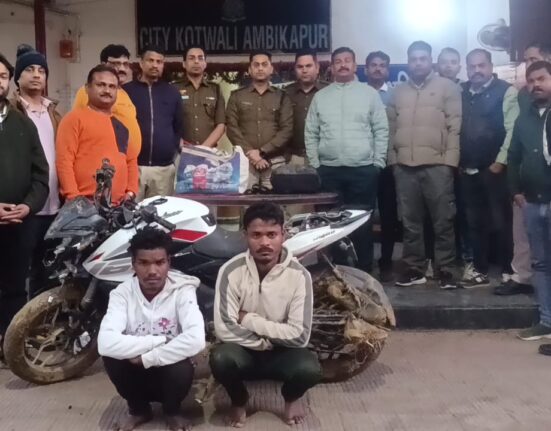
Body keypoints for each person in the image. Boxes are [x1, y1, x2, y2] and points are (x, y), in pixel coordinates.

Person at [210, 202, 321, 427]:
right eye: (256, 235)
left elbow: (300, 336)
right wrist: (265, 342)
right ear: (245, 236)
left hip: (283, 353)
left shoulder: (300, 276)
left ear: (284, 235)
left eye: (272, 234)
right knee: (221, 359)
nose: (264, 243)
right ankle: (239, 400)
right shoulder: (230, 271)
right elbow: (224, 328)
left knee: (310, 369)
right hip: (243, 350)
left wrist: (248, 319)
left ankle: (290, 398)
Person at [98, 227, 205, 431]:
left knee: (181, 365)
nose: (152, 271)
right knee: (112, 358)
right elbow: (105, 343)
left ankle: (172, 411)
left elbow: (196, 339)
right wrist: (159, 340)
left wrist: (148, 358)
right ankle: (138, 410)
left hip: (168, 370)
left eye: (159, 262)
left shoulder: (183, 291)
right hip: (135, 372)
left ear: (168, 263)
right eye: (144, 263)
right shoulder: (122, 293)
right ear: (133, 264)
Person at [305, 47, 388, 273]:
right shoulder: (321, 97)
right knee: (330, 224)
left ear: (354, 65)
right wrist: (316, 164)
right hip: (328, 170)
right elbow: (311, 132)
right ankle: (337, 272)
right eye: (338, 61)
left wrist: (377, 163)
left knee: (362, 223)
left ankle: (364, 271)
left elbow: (381, 129)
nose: (343, 65)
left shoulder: (369, 94)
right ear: (332, 67)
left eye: (347, 60)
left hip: (363, 170)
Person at [387, 41, 462, 289]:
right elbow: (390, 128)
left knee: (443, 221)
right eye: (413, 59)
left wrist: (450, 162)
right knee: (410, 223)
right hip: (404, 167)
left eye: (422, 58)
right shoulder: (398, 91)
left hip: (438, 166)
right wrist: (393, 160)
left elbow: (455, 126)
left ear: (431, 61)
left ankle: (446, 270)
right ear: (408, 62)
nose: (418, 63)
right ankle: (414, 269)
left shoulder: (447, 87)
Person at [0, 52, 49, 358]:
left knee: (15, 287)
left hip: (19, 222)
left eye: (2, 76)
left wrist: (29, 206)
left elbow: (41, 175)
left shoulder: (23, 124)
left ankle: (11, 347)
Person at [458, 49, 518, 288]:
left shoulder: (506, 91)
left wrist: (500, 161)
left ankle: (508, 268)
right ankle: (480, 269)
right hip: (467, 169)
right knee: (473, 222)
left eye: (481, 65)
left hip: (494, 168)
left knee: (500, 221)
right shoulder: (461, 91)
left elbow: (512, 130)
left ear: (491, 66)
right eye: (472, 66)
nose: (477, 71)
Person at [496, 41, 551, 296]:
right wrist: (515, 188)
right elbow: (516, 142)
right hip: (527, 187)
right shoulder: (523, 97)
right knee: (522, 234)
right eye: (526, 61)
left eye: (533, 60)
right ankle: (523, 276)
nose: (528, 66)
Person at [9, 44, 62, 297]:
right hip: (24, 207)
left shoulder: (54, 113)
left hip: (54, 206)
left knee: (48, 271)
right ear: (17, 77)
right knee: (17, 273)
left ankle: (42, 318)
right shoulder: (10, 112)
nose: (36, 75)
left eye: (41, 70)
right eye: (29, 69)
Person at [508, 61, 551, 342]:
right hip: (533, 202)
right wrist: (515, 191)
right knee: (540, 264)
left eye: (542, 79)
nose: (536, 85)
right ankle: (547, 321)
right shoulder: (523, 119)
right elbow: (513, 158)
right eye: (531, 80)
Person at [56, 65, 139, 203]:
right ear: (87, 88)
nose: (107, 90)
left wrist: (131, 192)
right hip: (82, 206)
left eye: (112, 87)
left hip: (119, 207)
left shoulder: (120, 126)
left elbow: (131, 161)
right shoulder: (73, 119)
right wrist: (73, 197)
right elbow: (64, 161)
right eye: (101, 85)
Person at [226, 51, 293, 189]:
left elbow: (287, 129)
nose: (260, 68)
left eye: (264, 64)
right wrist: (251, 153)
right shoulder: (237, 96)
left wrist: (262, 151)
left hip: (275, 162)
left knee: (277, 201)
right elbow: (231, 128)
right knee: (245, 201)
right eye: (256, 65)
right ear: (250, 70)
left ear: (271, 69)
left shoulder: (282, 97)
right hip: (246, 162)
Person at [124, 45, 183, 199]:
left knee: (161, 212)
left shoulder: (172, 93)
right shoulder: (126, 92)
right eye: (150, 60)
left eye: (159, 61)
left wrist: (171, 150)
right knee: (131, 211)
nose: (155, 65)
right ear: (141, 63)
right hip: (133, 167)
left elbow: (178, 127)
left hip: (163, 169)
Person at [73, 44, 141, 168]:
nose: (122, 68)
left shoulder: (123, 93)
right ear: (103, 64)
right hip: (103, 166)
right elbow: (77, 127)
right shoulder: (88, 91)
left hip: (127, 164)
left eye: (125, 64)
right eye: (116, 63)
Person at [365, 50, 400, 281]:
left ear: (388, 70)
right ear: (366, 69)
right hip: (364, 163)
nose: (378, 69)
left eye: (382, 65)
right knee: (364, 214)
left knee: (389, 215)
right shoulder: (358, 94)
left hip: (389, 163)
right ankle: (364, 260)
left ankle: (386, 261)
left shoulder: (396, 96)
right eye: (374, 65)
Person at [172, 46, 225, 147]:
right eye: (191, 58)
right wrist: (182, 145)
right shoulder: (173, 89)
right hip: (181, 150)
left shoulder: (215, 89)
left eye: (200, 58)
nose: (196, 61)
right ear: (184, 64)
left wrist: (203, 149)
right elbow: (167, 123)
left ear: (205, 64)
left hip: (209, 151)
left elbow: (221, 125)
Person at [284, 50, 328, 166]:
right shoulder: (286, 93)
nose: (304, 70)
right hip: (293, 157)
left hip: (323, 157)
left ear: (317, 67)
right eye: (300, 67)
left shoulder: (329, 92)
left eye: (308, 66)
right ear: (295, 69)